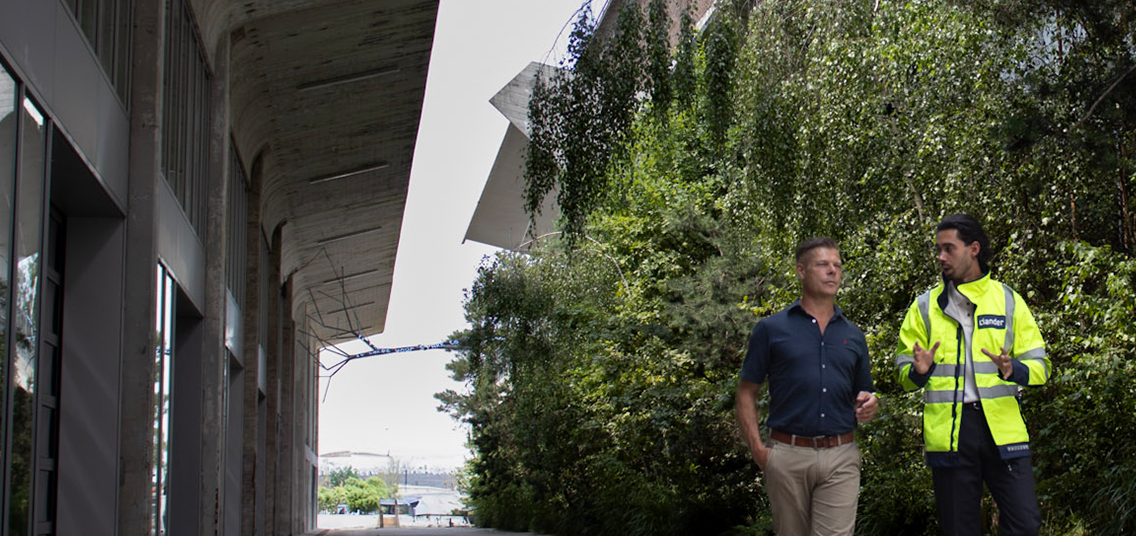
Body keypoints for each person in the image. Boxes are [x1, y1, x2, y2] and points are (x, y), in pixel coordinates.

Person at [895, 213, 1051, 536]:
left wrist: (1014, 369)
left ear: (974, 248)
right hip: (951, 434)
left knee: (1025, 524)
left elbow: (1042, 367)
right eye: (938, 249)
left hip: (1003, 431)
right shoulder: (924, 308)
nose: (941, 257)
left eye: (949, 249)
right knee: (958, 529)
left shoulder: (1008, 301)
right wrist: (918, 372)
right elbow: (902, 374)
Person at [736, 237, 878, 535]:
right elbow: (747, 392)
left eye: (837, 265)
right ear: (801, 271)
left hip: (841, 454)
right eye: (822, 265)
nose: (832, 271)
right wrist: (761, 452)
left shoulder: (853, 335)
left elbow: (863, 395)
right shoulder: (771, 329)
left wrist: (868, 405)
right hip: (787, 455)